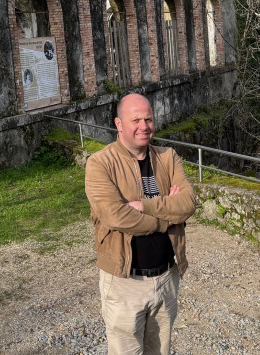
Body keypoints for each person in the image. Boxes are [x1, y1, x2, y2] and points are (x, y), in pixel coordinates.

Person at [85, 93, 198, 354]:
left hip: (167, 277)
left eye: (148, 119)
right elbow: (115, 216)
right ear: (119, 124)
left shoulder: (168, 157)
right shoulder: (100, 163)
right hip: (125, 282)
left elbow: (189, 202)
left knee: (161, 351)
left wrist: (145, 205)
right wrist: (167, 218)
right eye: (135, 119)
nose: (144, 126)